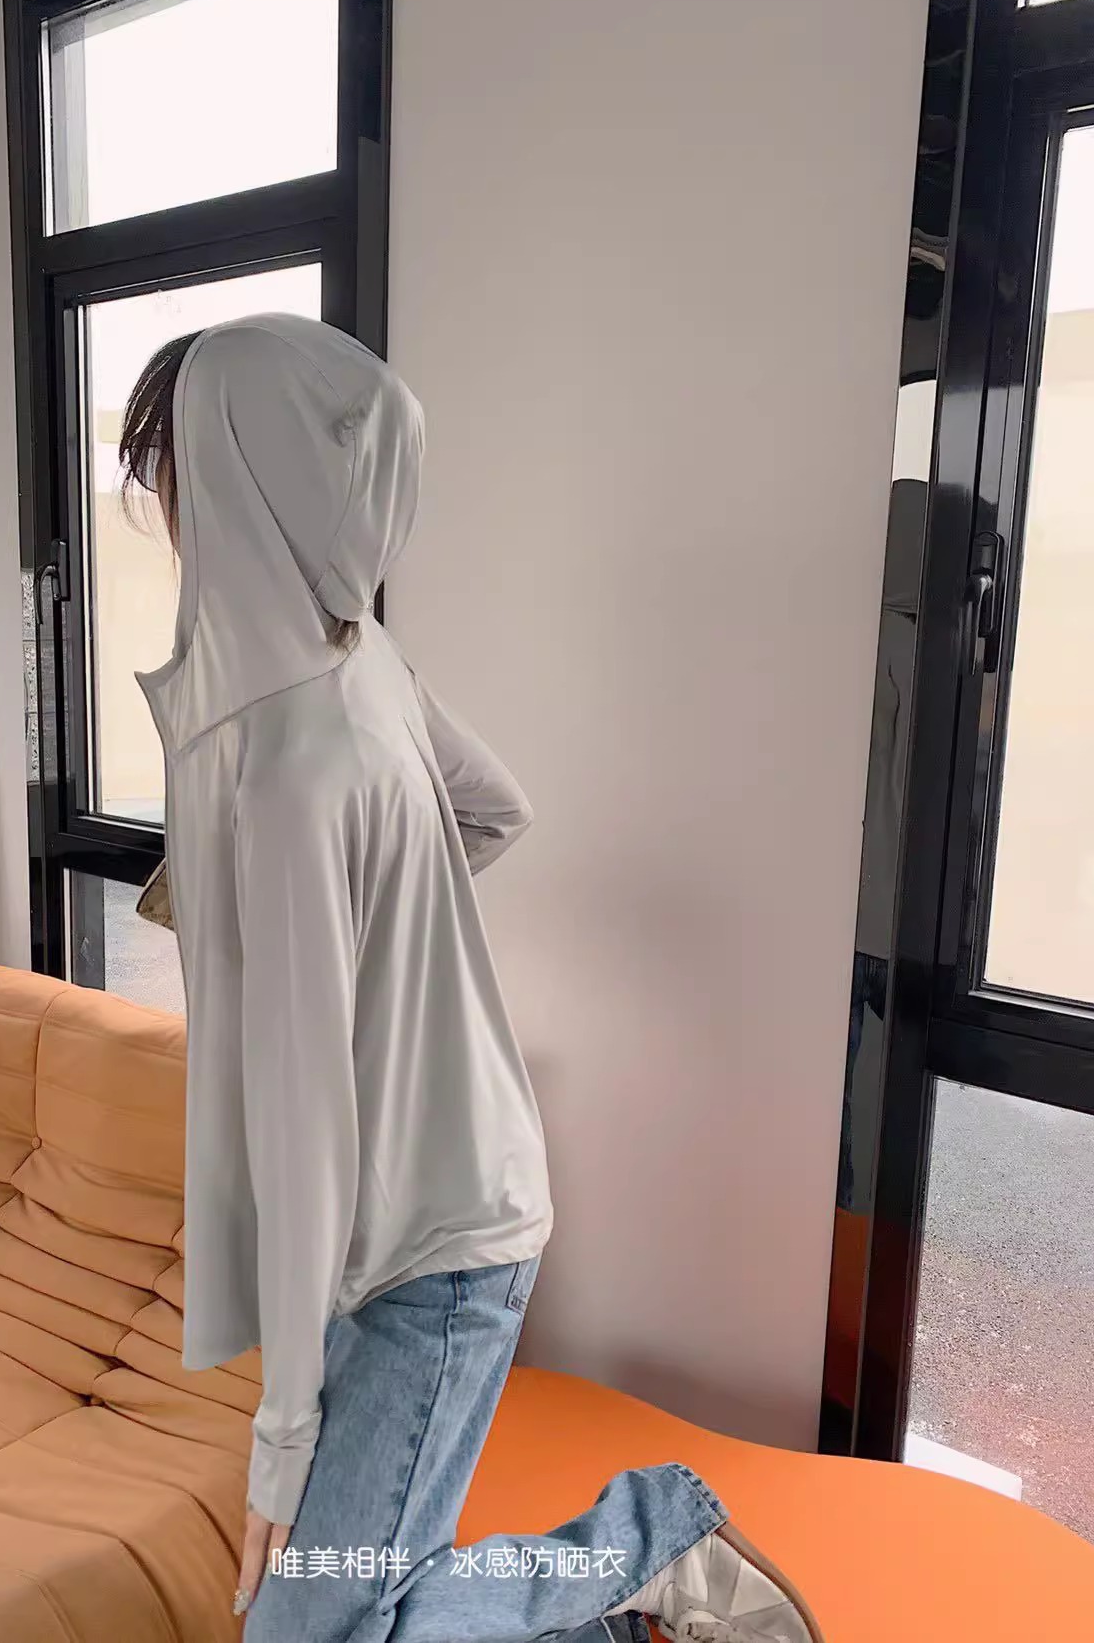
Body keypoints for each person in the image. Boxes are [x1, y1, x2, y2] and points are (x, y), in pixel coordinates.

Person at [120, 314, 823, 1643]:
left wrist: (280, 1439)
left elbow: (305, 1135)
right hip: (421, 1218)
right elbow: (496, 809)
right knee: (350, 1612)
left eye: (175, 472)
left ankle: (648, 1540)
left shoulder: (283, 765)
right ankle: (621, 1623)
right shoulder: (357, 664)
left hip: (430, 1253)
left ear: (236, 476)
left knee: (309, 1633)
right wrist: (374, 934)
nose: (167, 510)